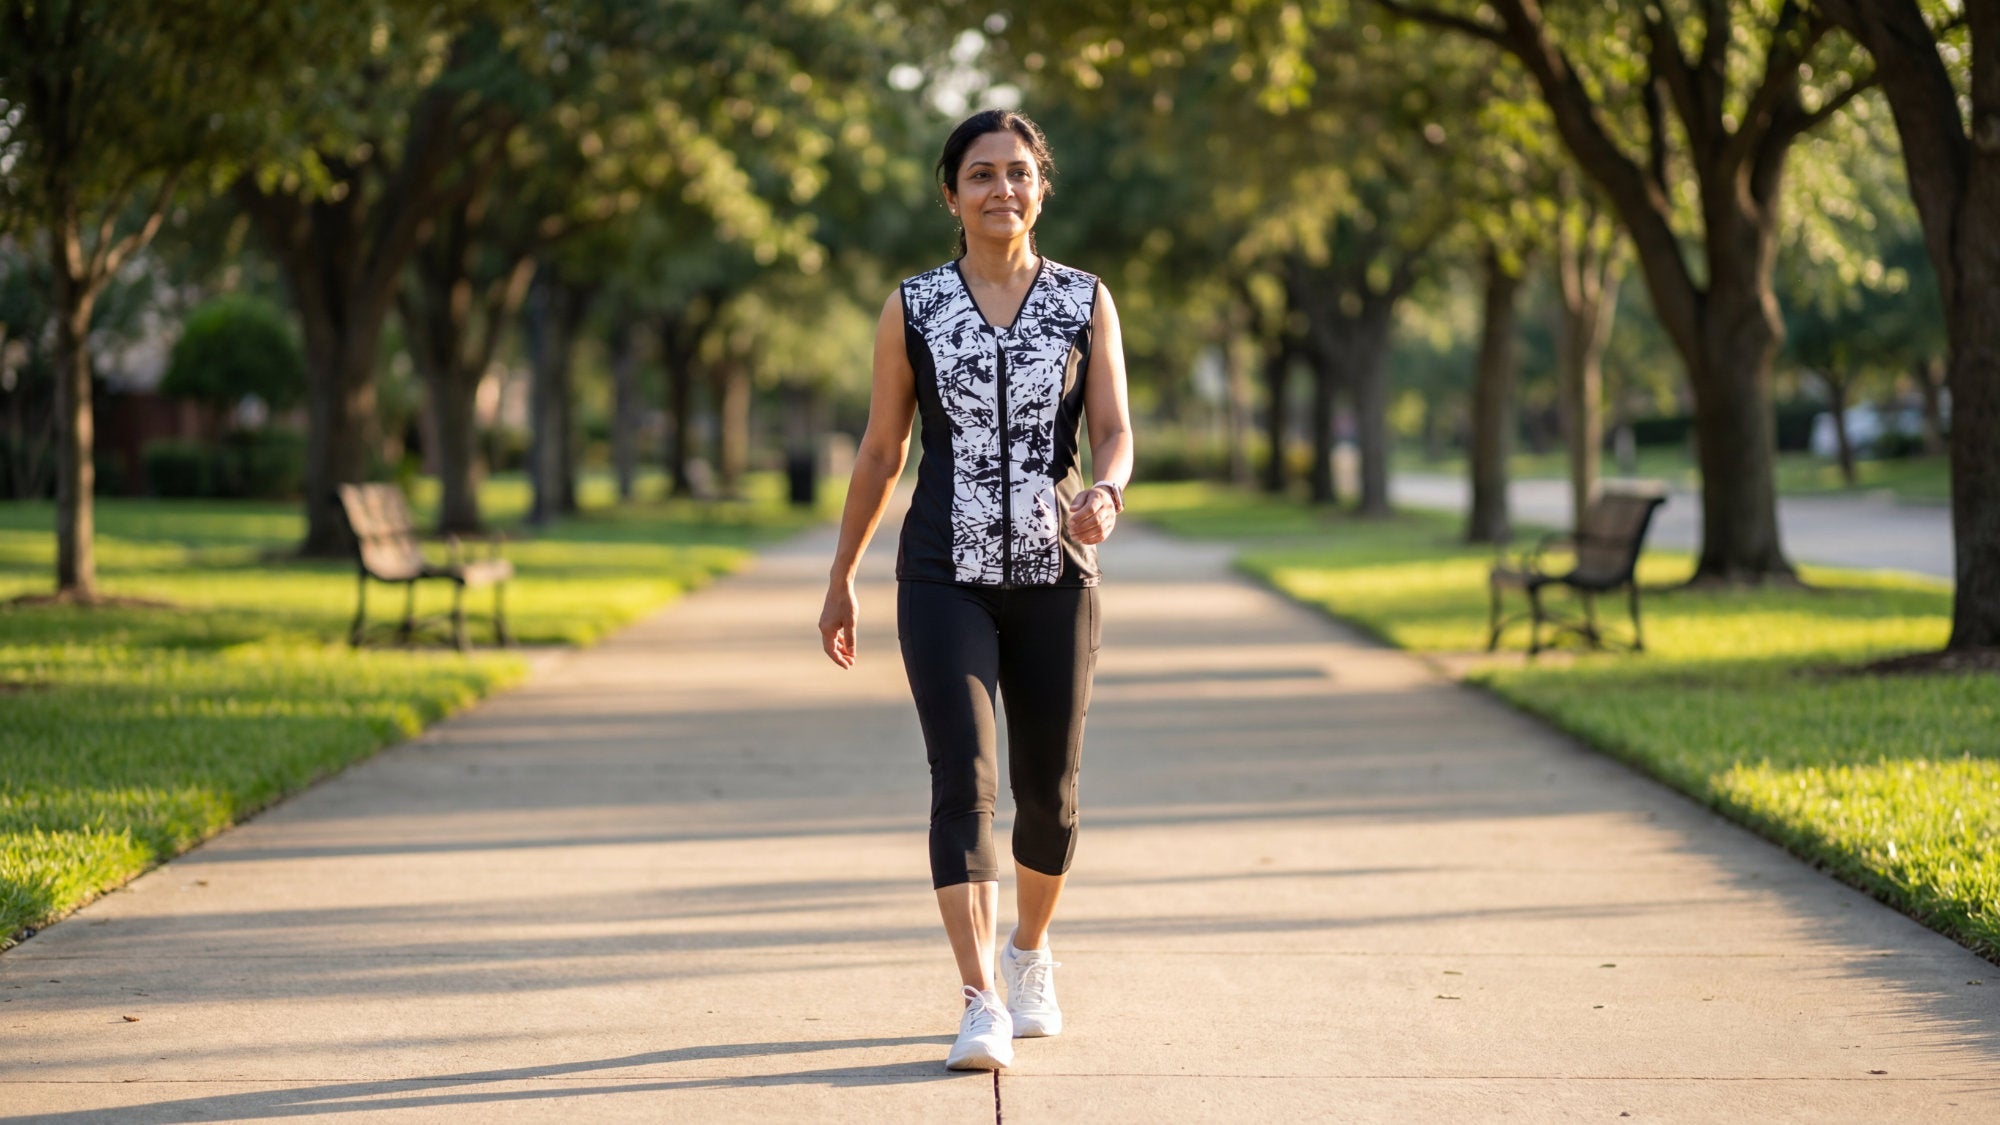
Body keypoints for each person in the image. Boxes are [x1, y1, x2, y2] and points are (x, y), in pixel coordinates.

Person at [817, 108, 1134, 1072]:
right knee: (964, 781)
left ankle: (1029, 952)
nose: (1003, 189)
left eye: (1020, 173)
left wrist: (1108, 492)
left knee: (1049, 793)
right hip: (941, 575)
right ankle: (978, 996)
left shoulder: (1086, 300)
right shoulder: (912, 306)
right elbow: (883, 449)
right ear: (950, 193)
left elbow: (1115, 429)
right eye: (982, 174)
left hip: (1055, 575)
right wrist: (842, 578)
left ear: (1042, 188)